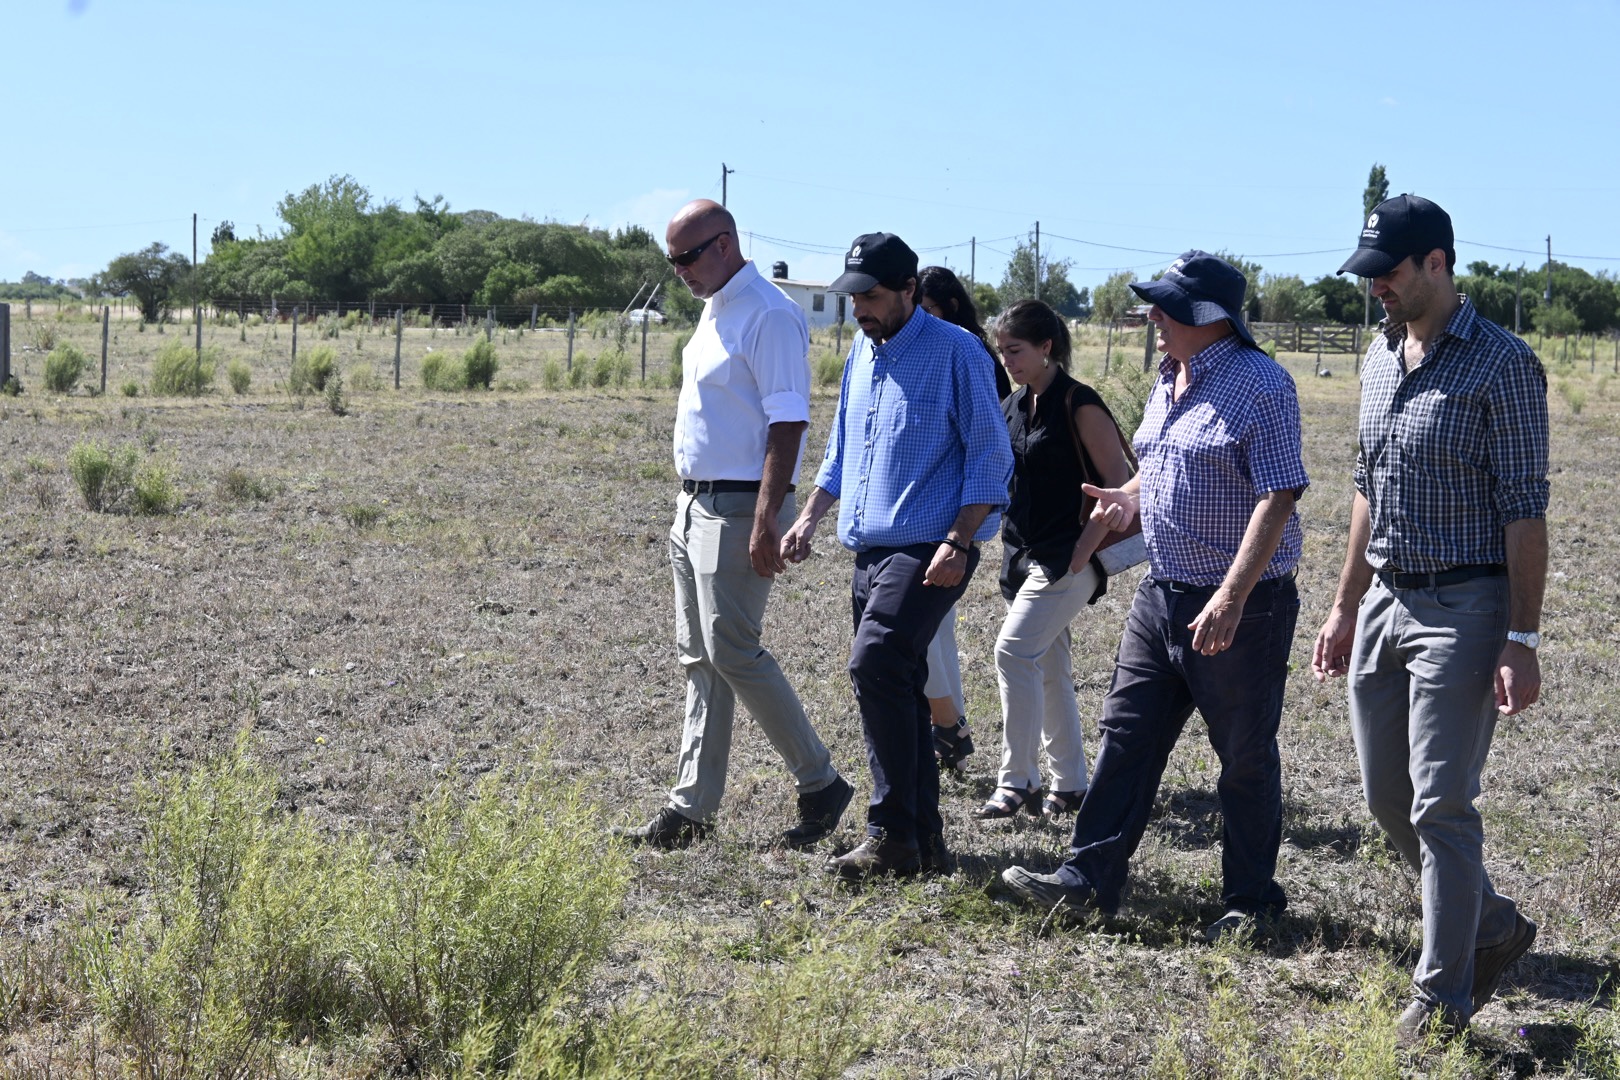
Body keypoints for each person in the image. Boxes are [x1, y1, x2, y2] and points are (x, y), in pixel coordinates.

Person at [998, 251, 1307, 942]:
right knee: (1126, 739)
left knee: (1244, 756)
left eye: (1165, 308)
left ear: (1209, 315)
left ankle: (1251, 902)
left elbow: (1277, 494)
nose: (1152, 319)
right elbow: (1162, 462)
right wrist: (1126, 497)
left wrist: (1230, 596)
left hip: (1239, 605)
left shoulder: (1263, 385)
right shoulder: (1170, 377)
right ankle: (1087, 879)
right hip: (1160, 594)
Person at [1311, 194, 1546, 1043]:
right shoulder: (1379, 358)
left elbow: (1525, 510)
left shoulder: (1503, 363)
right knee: (1387, 800)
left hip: (1467, 605)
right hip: (1384, 599)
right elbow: (1365, 491)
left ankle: (1442, 998)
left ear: (1438, 264)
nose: (1375, 286)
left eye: (1389, 272)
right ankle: (1488, 923)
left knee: (1441, 804)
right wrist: (1343, 606)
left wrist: (1521, 638)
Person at [614, 199, 853, 851]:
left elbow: (788, 422)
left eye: (687, 257)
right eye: (672, 260)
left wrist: (768, 517)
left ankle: (821, 782)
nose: (679, 272)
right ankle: (692, 808)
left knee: (733, 650)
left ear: (724, 244)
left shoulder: (770, 314)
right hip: (694, 505)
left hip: (743, 505)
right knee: (701, 658)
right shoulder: (714, 310)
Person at [781, 232, 1013, 880]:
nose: (861, 309)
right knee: (900, 684)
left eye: (874, 297)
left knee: (877, 661)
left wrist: (958, 542)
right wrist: (807, 519)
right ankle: (922, 841)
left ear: (911, 290)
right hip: (870, 548)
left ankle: (889, 830)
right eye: (854, 297)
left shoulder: (958, 352)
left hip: (931, 545)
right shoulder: (862, 350)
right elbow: (841, 449)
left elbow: (991, 458)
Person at [975, 299, 1131, 822]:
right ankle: (1071, 784)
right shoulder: (1016, 405)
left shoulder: (1079, 403)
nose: (1008, 362)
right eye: (1001, 352)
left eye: (1015, 351)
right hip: (1022, 555)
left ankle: (1017, 782)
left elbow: (1120, 483)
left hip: (1068, 558)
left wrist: (1083, 551)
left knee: (1013, 653)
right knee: (1046, 666)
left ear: (1047, 347)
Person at [914, 265, 1011, 773]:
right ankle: (948, 725)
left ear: (949, 306)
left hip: (955, 511)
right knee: (936, 626)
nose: (917, 321)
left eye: (926, 309)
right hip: (931, 508)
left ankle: (947, 724)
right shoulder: (934, 344)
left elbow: (988, 444)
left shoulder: (968, 352)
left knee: (923, 625)